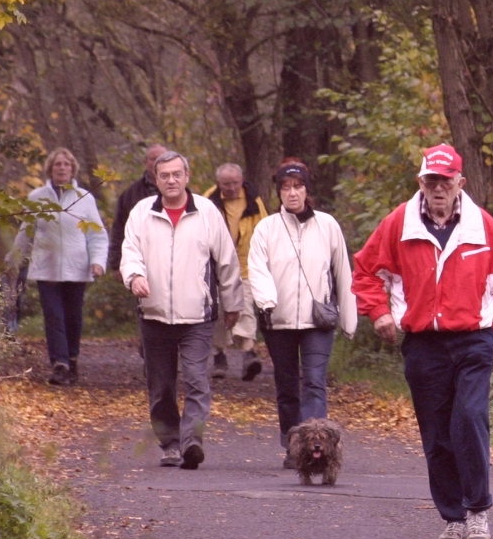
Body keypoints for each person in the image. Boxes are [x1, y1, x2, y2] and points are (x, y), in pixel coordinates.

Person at [352, 144, 493, 539]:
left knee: (468, 419)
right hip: (423, 344)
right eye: (430, 181)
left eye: (445, 181)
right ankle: (452, 518)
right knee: (436, 433)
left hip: (472, 340)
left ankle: (478, 512)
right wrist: (378, 312)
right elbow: (365, 270)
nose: (437, 189)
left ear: (459, 183)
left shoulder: (482, 226)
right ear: (421, 183)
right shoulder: (399, 223)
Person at [120, 150, 246, 470]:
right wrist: (134, 277)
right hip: (154, 313)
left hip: (197, 317)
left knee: (196, 380)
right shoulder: (141, 212)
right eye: (165, 176)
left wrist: (232, 304)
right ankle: (170, 443)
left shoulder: (206, 212)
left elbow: (227, 261)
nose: (171, 180)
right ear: (156, 179)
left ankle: (192, 441)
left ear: (187, 177)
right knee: (160, 386)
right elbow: (130, 252)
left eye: (177, 174)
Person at [248, 160, 358, 467]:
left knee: (313, 380)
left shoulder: (327, 225)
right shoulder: (266, 228)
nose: (292, 193)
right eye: (285, 187)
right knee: (286, 385)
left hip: (317, 321)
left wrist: (349, 319)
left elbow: (342, 272)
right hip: (277, 319)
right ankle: (293, 445)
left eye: (297, 186)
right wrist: (266, 299)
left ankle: (316, 446)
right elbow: (256, 268)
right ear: (279, 192)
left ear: (307, 190)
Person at [13, 147, 107, 386]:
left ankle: (72, 358)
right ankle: (60, 364)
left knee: (73, 317)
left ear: (73, 169)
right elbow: (26, 232)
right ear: (50, 169)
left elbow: (97, 235)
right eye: (58, 164)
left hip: (77, 268)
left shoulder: (84, 198)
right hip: (47, 268)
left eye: (66, 164)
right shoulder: (37, 197)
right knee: (54, 316)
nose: (62, 168)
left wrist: (97, 262)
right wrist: (12, 261)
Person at [204, 162, 268, 381]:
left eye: (235, 183)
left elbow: (264, 231)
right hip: (217, 266)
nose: (231, 188)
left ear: (241, 181)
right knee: (220, 311)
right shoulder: (208, 200)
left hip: (246, 264)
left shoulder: (253, 200)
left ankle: (249, 353)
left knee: (245, 307)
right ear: (218, 183)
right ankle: (219, 355)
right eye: (226, 184)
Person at [109, 142, 166, 282]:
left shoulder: (182, 192)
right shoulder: (130, 195)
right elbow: (119, 229)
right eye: (153, 158)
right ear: (146, 162)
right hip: (143, 262)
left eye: (163, 158)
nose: (158, 162)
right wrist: (117, 264)